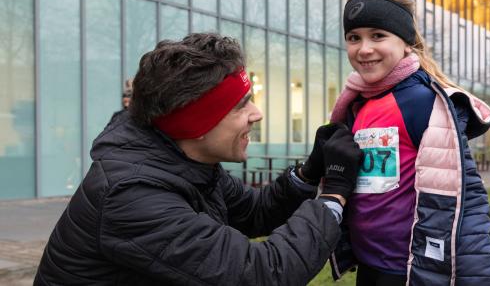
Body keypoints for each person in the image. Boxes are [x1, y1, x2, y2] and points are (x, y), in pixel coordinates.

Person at [34, 33, 364, 285]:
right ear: (197, 126)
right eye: (240, 106)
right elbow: (262, 272)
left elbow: (253, 212)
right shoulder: (132, 196)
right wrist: (333, 195)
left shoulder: (184, 162)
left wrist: (308, 172)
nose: (257, 114)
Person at [328, 0, 490, 285]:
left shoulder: (422, 102)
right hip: (368, 267)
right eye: (354, 37)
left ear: (406, 43)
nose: (364, 48)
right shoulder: (357, 103)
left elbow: (468, 202)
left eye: (378, 35)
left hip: (408, 272)